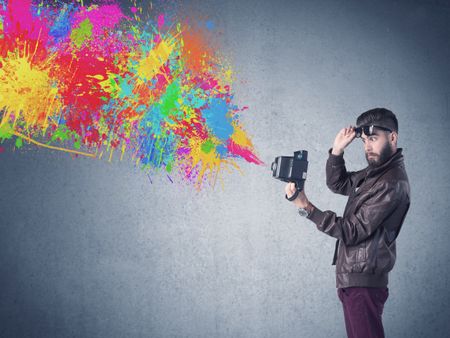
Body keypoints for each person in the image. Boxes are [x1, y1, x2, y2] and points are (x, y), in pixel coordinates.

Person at [285, 108, 410, 338]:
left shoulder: (390, 182)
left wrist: (307, 208)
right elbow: (339, 183)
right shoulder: (374, 174)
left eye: (373, 139)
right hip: (354, 280)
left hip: (363, 283)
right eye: (364, 141)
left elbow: (352, 231)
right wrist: (337, 151)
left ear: (393, 137)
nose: (367, 147)